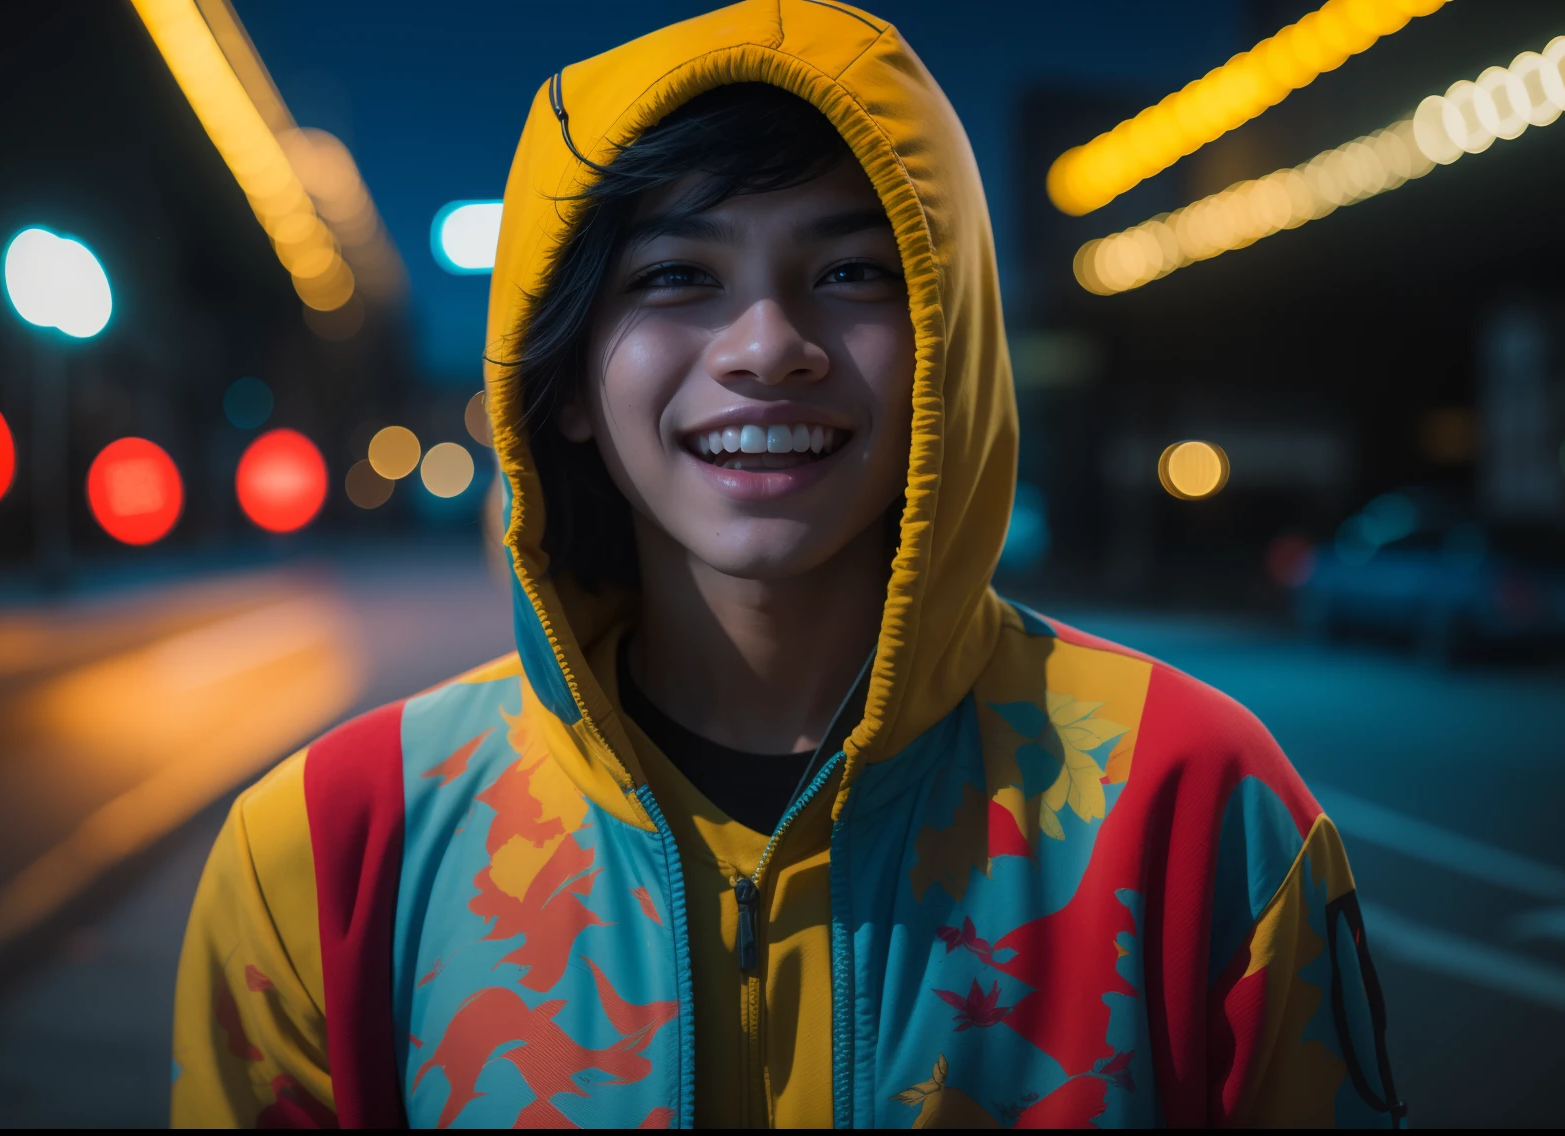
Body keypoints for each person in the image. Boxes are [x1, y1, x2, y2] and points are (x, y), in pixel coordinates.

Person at [171, 1, 1402, 1127]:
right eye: (676, 277)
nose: (767, 345)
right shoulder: (333, 848)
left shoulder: (1196, 803)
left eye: (851, 272)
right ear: (567, 386)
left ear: (948, 346)